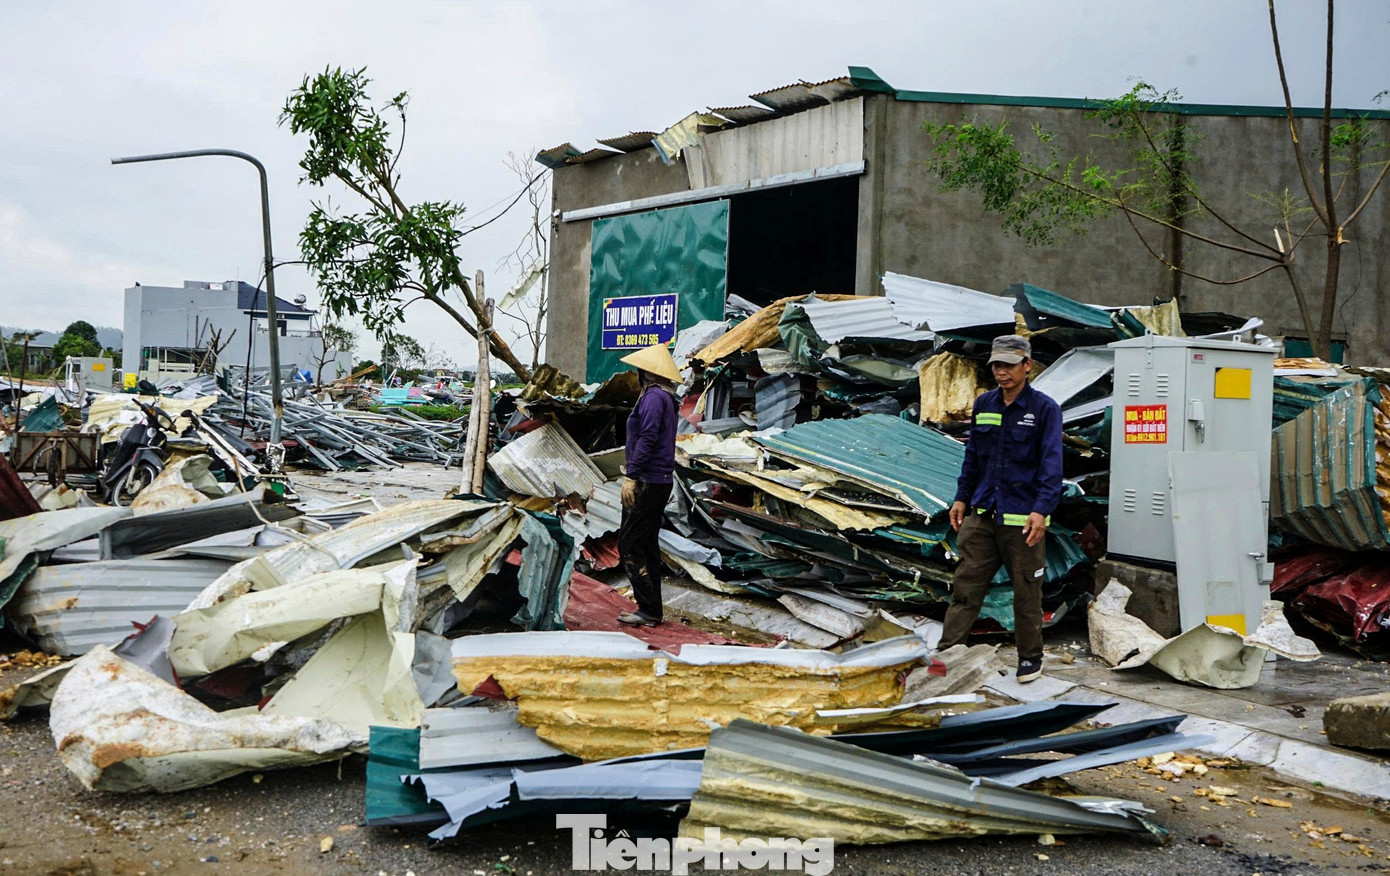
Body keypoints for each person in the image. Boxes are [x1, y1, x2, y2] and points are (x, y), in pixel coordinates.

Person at [939, 335, 1063, 683]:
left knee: (1026, 592)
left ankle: (1030, 658)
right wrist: (962, 497)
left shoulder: (1044, 410)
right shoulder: (985, 405)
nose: (1001, 371)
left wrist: (1041, 510)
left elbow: (1052, 466)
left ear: (1027, 365)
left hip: (1022, 520)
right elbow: (973, 457)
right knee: (965, 588)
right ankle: (948, 653)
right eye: (996, 364)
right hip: (982, 515)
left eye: (1009, 364)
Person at [615, 343, 682, 627]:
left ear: (647, 372)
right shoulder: (663, 396)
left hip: (647, 481)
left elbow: (648, 438)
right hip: (657, 480)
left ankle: (648, 609)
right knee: (647, 543)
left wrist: (632, 476)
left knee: (630, 544)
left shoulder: (654, 398)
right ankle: (651, 608)